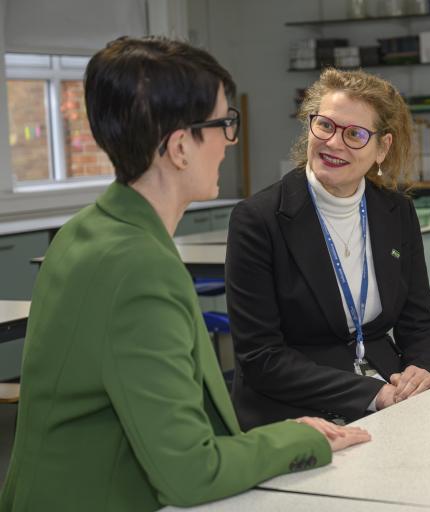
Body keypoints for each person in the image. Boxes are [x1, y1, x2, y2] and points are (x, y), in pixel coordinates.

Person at [0, 37, 370, 512]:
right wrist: (295, 440)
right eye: (223, 124)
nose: (229, 142)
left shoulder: (85, 230)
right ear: (179, 147)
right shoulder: (139, 267)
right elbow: (191, 473)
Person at [226, 68, 430, 428]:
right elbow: (260, 357)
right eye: (325, 126)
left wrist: (423, 369)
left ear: (382, 148)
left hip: (390, 393)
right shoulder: (258, 219)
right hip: (294, 408)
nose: (334, 143)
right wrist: (373, 395)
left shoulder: (396, 212)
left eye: (355, 134)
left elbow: (418, 320)